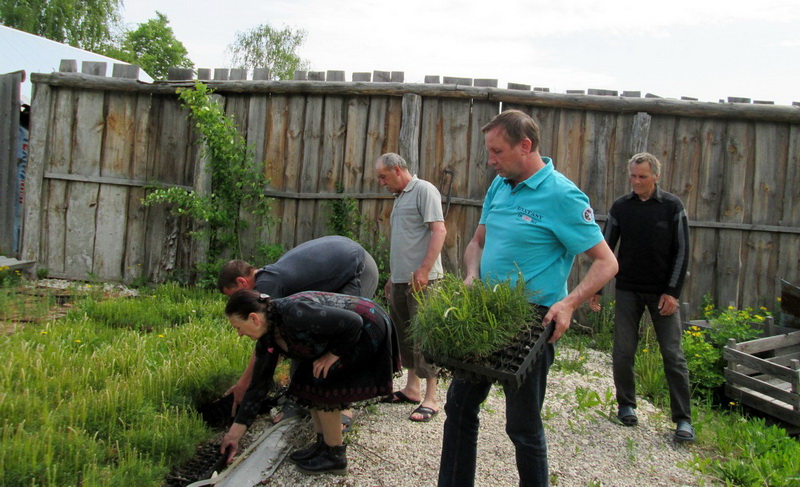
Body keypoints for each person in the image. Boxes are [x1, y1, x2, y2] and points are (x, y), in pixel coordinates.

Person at [438, 109, 618, 487]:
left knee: (522, 425)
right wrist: (472, 274)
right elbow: (477, 242)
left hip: (533, 321)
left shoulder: (564, 196)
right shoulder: (499, 186)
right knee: (458, 407)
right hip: (484, 313)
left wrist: (568, 304)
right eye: (489, 151)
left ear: (525, 145)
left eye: (497, 151)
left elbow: (606, 263)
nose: (491, 161)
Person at [220, 289, 401, 475]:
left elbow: (353, 322)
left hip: (367, 326)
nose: (239, 334)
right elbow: (258, 385)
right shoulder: (270, 334)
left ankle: (335, 456)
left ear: (253, 318)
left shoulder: (295, 314)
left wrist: (334, 355)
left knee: (323, 377)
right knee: (305, 379)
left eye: (238, 327)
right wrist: (234, 434)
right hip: (348, 329)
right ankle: (323, 445)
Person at [217, 235, 379, 431]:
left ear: (242, 282)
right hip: (345, 257)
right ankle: (306, 399)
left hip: (358, 267)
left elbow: (270, 344)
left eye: (233, 295)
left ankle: (343, 407)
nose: (236, 302)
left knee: (341, 336)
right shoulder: (269, 276)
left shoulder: (265, 286)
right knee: (303, 338)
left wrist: (244, 384)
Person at [589, 152, 693, 442]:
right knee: (623, 350)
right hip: (628, 290)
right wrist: (596, 288)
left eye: (642, 177)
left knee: (673, 355)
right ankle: (626, 404)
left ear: (655, 177)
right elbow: (605, 248)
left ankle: (683, 420)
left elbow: (683, 252)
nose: (636, 181)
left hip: (662, 293)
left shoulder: (672, 206)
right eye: (633, 176)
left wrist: (672, 292)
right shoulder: (621, 207)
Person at [375, 152, 447, 422]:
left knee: (424, 336)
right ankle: (412, 389)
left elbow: (439, 231)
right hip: (402, 279)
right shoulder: (400, 198)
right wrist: (393, 276)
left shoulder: (424, 190)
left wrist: (425, 270)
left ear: (396, 169)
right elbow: (405, 241)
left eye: (383, 176)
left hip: (423, 281)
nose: (381, 182)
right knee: (405, 335)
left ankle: (431, 397)